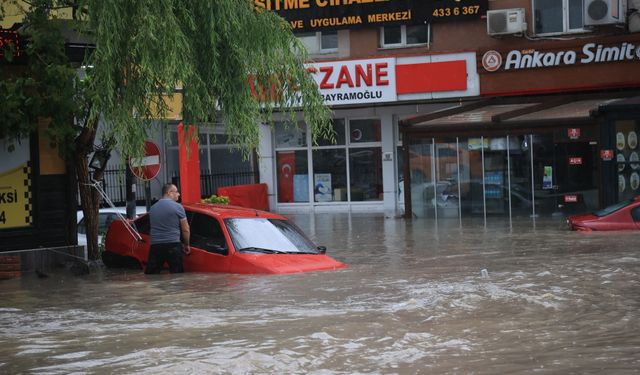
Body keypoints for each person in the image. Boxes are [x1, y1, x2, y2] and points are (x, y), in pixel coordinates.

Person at [145, 183, 191, 274]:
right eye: (177, 192)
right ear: (169, 193)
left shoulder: (152, 208)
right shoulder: (178, 207)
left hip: (156, 246)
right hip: (173, 245)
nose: (179, 194)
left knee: (152, 276)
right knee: (177, 277)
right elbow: (185, 229)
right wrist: (186, 244)